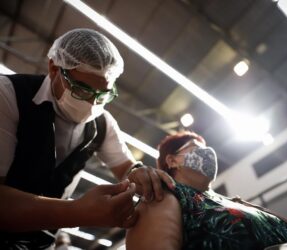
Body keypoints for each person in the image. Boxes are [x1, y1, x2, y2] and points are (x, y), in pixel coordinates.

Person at [0, 28, 173, 249]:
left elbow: (127, 168)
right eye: (82, 90)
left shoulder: (102, 123)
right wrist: (78, 212)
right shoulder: (8, 95)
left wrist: (139, 174)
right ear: (54, 67)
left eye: (103, 95)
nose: (92, 104)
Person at [126, 131, 287, 250]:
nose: (208, 153)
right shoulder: (166, 195)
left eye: (207, 147)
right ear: (172, 160)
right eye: (196, 148)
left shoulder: (233, 202)